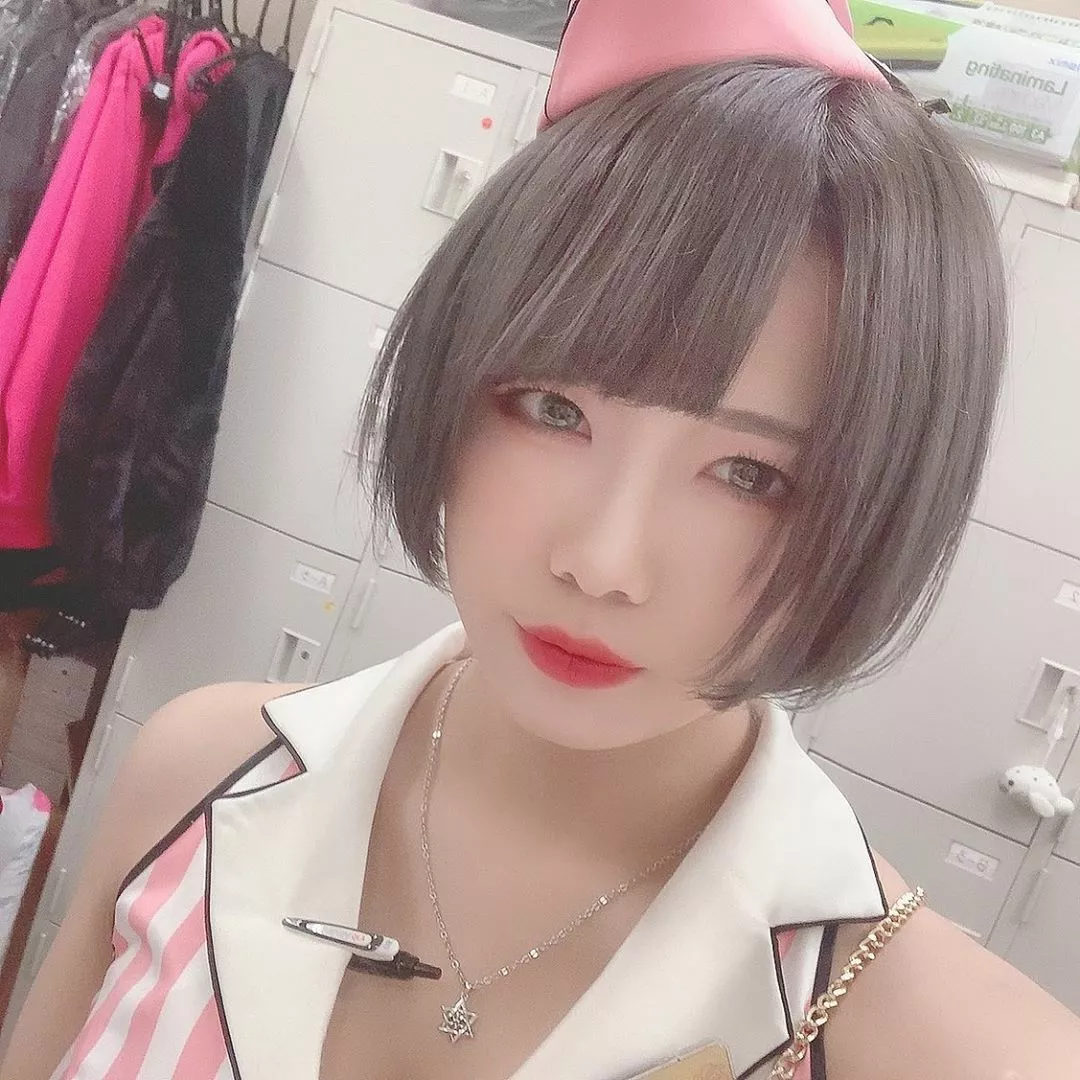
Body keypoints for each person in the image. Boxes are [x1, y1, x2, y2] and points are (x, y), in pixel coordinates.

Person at [6, 1, 1080, 1077]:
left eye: (752, 476)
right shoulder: (196, 773)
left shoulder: (952, 1046)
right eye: (554, 410)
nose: (601, 563)